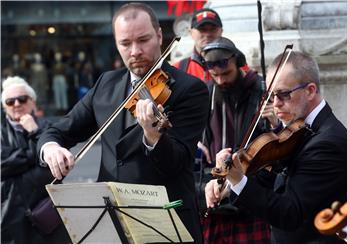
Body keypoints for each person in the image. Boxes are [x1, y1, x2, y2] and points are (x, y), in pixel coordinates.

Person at [38, 3, 209, 243]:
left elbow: (178, 161)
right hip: (111, 223)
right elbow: (59, 130)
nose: (135, 51)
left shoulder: (190, 89)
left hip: (166, 221)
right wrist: (51, 148)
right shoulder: (106, 84)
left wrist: (152, 136)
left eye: (143, 40)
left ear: (159, 36)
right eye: (125, 44)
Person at [205, 51, 347, 243]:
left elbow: (290, 213)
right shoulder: (297, 132)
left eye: (283, 94)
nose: (275, 104)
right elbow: (269, 176)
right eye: (271, 95)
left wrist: (238, 182)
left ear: (310, 91)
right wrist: (228, 186)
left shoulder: (328, 144)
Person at [198, 37, 273, 243]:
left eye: (226, 73)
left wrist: (274, 120)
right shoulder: (206, 92)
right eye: (215, 75)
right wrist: (212, 180)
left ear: (239, 63)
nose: (221, 81)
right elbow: (200, 149)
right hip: (214, 198)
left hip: (251, 199)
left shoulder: (261, 90)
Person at [1, 76, 70, 244]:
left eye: (22, 99)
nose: (17, 104)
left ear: (33, 102)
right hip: (9, 214)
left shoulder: (48, 129)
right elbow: (3, 165)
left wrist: (34, 132)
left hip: (47, 212)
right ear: (5, 107)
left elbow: (55, 169)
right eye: (10, 101)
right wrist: (37, 153)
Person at [173, 8, 223, 83]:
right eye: (202, 29)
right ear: (190, 32)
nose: (208, 34)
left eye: (213, 29)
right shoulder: (178, 68)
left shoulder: (234, 65)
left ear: (221, 31)